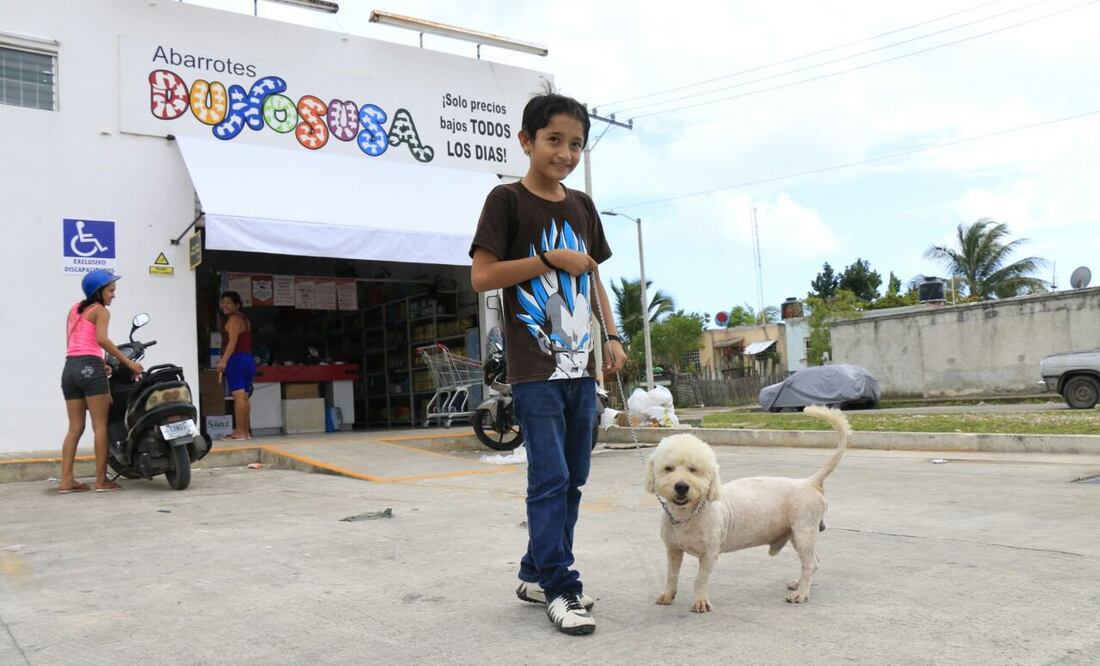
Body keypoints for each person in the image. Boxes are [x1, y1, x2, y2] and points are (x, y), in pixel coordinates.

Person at [469, 92, 627, 635]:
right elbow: (482, 277)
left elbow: (594, 275)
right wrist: (544, 260)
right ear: (527, 141)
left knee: (576, 477)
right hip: (535, 369)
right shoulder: (506, 200)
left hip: (582, 368)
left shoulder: (582, 206)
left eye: (576, 143)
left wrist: (611, 335)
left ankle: (536, 572)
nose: (565, 152)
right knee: (550, 477)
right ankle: (563, 589)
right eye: (554, 140)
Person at [59, 269, 143, 493]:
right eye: (111, 290)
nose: (113, 295)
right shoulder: (101, 311)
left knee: (74, 428)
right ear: (99, 292)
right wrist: (128, 363)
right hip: (90, 368)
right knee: (100, 426)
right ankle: (101, 481)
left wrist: (100, 362)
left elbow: (77, 343)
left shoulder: (74, 310)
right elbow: (102, 340)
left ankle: (66, 480)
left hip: (70, 369)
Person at [217, 290, 255, 440]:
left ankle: (239, 432)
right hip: (248, 359)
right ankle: (245, 431)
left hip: (236, 360)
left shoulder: (233, 320)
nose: (225, 305)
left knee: (238, 397)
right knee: (244, 397)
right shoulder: (245, 319)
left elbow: (232, 342)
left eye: (229, 303)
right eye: (223, 302)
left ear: (237, 305)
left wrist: (223, 361)